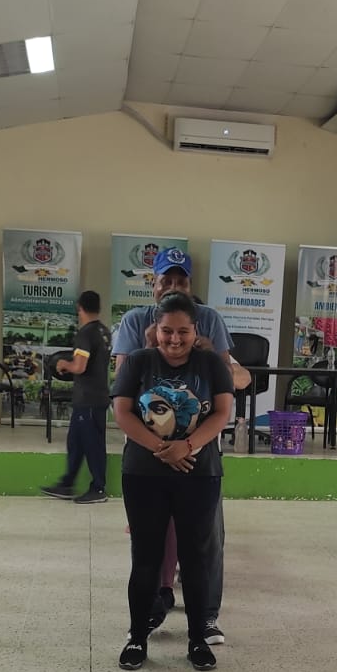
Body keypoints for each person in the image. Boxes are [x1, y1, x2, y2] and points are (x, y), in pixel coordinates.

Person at [114, 249, 247, 643]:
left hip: (199, 453)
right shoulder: (135, 321)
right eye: (166, 280)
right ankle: (151, 610)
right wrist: (161, 446)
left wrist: (187, 445)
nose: (173, 286)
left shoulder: (209, 320)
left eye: (181, 281)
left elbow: (230, 380)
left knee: (205, 539)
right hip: (148, 449)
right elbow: (124, 386)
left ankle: (205, 618)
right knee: (149, 539)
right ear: (153, 284)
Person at [41, 290, 112, 503]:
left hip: (88, 399)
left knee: (92, 444)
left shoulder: (85, 334)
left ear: (79, 308)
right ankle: (67, 483)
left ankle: (98, 488)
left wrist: (64, 364)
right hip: (96, 396)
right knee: (76, 442)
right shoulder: (104, 332)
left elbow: (79, 367)